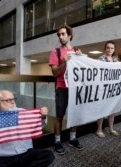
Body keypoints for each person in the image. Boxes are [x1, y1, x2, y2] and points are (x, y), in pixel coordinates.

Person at [0, 90, 54, 167]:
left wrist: (42, 116)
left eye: (13, 99)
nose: (13, 102)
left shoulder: (22, 112)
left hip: (25, 154)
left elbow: (39, 126)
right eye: (8, 100)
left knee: (48, 155)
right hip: (1, 158)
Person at [48, 25, 83, 154]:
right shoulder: (55, 52)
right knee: (59, 116)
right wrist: (63, 61)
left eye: (63, 34)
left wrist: (80, 57)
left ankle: (73, 139)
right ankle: (57, 141)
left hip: (75, 89)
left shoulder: (77, 51)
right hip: (61, 88)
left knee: (75, 115)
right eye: (59, 34)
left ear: (69, 35)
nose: (60, 37)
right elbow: (55, 73)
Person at [95, 41, 120, 138]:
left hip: (113, 88)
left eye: (112, 48)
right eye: (108, 48)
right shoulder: (100, 59)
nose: (110, 50)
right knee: (102, 109)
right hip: (103, 88)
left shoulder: (115, 60)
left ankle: (111, 128)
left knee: (112, 109)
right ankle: (99, 129)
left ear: (114, 49)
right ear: (105, 49)